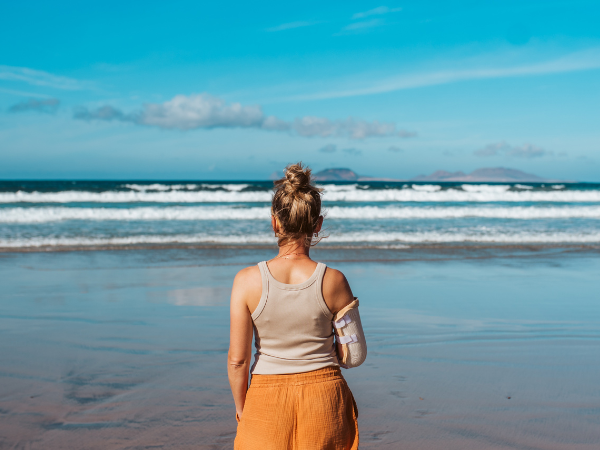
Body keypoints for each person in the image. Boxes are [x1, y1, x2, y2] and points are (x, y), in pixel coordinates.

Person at [228, 163, 364, 450]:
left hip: (265, 399)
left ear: (274, 222)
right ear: (318, 224)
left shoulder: (246, 281)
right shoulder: (334, 280)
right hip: (325, 397)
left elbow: (237, 360)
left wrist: (242, 407)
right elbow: (355, 355)